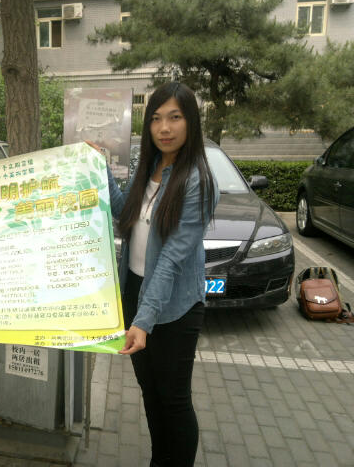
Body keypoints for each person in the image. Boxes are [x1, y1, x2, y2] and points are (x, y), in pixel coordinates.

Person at [89, 82, 219, 467]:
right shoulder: (147, 166)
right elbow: (123, 212)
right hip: (135, 292)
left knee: (174, 399)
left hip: (175, 307)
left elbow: (172, 259)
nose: (165, 128)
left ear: (190, 121)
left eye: (175, 117)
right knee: (150, 392)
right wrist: (100, 168)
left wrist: (144, 321)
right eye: (157, 118)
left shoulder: (197, 180)